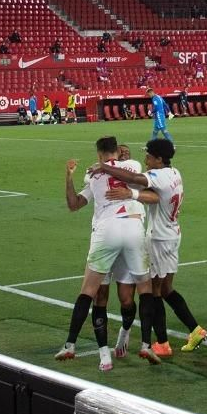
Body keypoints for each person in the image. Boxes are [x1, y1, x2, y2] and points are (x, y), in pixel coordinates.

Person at [53, 139, 157, 371]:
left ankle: (72, 344)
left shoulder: (94, 174)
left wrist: (78, 173)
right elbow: (75, 203)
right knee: (138, 291)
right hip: (132, 231)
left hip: (106, 233)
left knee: (98, 293)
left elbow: (73, 203)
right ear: (117, 152)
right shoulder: (133, 168)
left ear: (100, 154)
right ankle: (140, 346)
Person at [91, 139, 185, 359]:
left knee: (154, 291)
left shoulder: (154, 176)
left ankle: (161, 342)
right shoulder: (174, 173)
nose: (146, 158)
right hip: (172, 234)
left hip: (157, 238)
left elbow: (136, 181)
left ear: (159, 159)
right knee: (163, 289)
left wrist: (105, 168)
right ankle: (186, 331)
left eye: (149, 155)